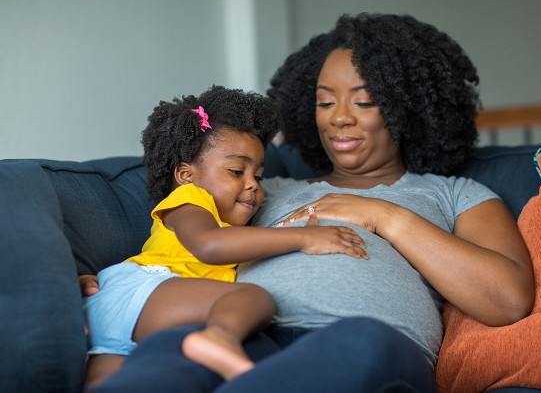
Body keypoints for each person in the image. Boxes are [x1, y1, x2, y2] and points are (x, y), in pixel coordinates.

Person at [82, 13, 535, 392]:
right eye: (324, 102)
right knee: (170, 351)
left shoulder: (454, 194)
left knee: (362, 341)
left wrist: (384, 216)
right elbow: (188, 246)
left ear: (407, 108)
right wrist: (113, 284)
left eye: (365, 101)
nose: (339, 117)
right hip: (243, 333)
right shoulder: (258, 188)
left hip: (368, 343)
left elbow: (507, 300)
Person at [82, 85, 368, 388]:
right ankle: (220, 337)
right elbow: (209, 246)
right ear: (186, 175)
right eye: (235, 171)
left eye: (257, 176)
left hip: (123, 325)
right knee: (251, 298)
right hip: (144, 289)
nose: (253, 185)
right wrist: (303, 238)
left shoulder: (228, 223)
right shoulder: (189, 201)